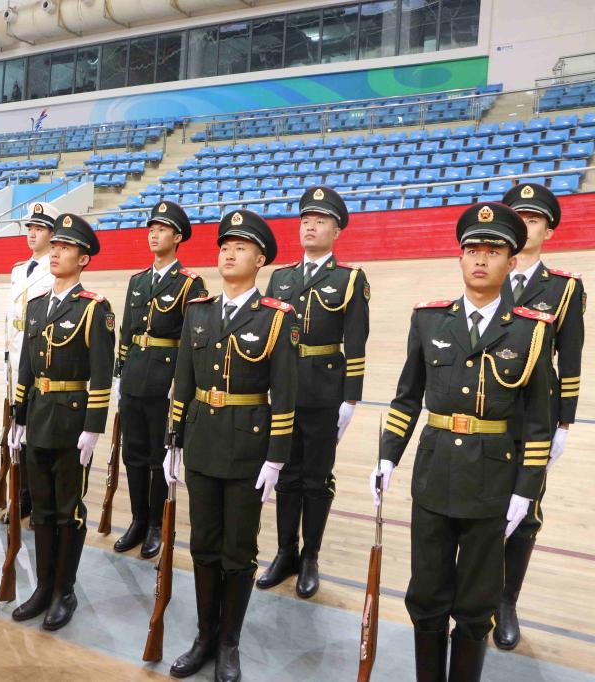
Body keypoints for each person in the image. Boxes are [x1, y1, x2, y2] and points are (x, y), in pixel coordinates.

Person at [372, 202, 554, 681]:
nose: (481, 259)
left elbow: (539, 421)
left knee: (476, 605)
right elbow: (407, 397)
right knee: (426, 596)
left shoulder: (532, 330)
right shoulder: (430, 320)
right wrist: (388, 457)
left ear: (511, 262)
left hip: (492, 482)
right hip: (434, 476)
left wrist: (526, 489)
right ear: (460, 257)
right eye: (472, 249)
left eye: (493, 251)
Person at [164, 209, 297, 682]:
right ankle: (204, 636)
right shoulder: (199, 311)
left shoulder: (276, 317)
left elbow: (285, 392)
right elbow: (183, 381)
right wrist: (173, 439)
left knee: (238, 551)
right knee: (203, 545)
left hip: (247, 449)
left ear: (260, 260)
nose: (229, 253)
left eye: (241, 247)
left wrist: (276, 458)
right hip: (202, 441)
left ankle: (228, 642)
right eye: (225, 246)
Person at [256, 186, 369, 599]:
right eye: (306, 220)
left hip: (324, 391)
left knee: (317, 478)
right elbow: (267, 336)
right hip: (285, 390)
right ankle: (285, 552)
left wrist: (350, 398)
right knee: (286, 473)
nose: (310, 226)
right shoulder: (280, 277)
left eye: (320, 221)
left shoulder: (349, 279)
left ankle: (310, 557)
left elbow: (356, 340)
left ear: (336, 231)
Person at [7, 213, 114, 631]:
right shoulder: (36, 306)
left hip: (71, 420)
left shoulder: (94, 309)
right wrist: (18, 414)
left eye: (65, 248)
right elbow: (26, 365)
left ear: (83, 259)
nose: (55, 253)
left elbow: (102, 374)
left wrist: (93, 427)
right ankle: (43, 585)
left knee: (69, 510)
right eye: (54, 246)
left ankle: (63, 591)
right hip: (38, 416)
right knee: (42, 509)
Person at [494, 183, 585, 650]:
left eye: (533, 220)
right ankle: (474, 591)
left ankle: (506, 600)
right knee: (480, 503)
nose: (524, 226)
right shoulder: (486, 272)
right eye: (518, 218)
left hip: (535, 415)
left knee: (525, 509)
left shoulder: (564, 288)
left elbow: (570, 358)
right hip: (488, 409)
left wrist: (564, 423)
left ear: (548, 231)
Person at [113, 201, 206, 559]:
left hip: (165, 380)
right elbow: (126, 332)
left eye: (162, 229)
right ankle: (138, 519)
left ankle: (155, 524)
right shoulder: (138, 281)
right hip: (134, 377)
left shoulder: (190, 283)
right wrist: (120, 372)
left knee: (157, 456)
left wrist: (180, 384)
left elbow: (193, 339)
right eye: (151, 229)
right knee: (132, 454)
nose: (154, 235)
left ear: (177, 237)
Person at [5, 202, 57, 518]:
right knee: (18, 431)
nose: (32, 234)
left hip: (39, 357)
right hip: (16, 359)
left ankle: (39, 502)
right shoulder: (18, 269)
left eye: (39, 229)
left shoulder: (55, 268)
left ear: (52, 234)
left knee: (37, 432)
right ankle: (22, 496)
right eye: (30, 228)